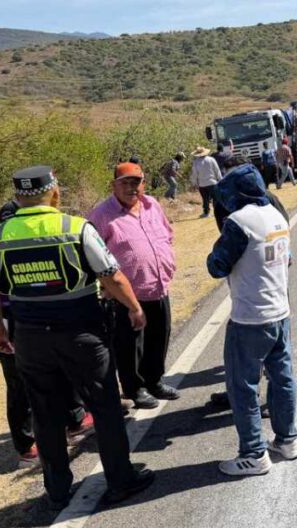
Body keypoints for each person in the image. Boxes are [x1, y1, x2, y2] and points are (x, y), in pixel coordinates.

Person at [0, 166, 154, 508]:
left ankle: (57, 491)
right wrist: (134, 307)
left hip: (29, 335)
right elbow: (111, 276)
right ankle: (120, 479)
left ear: (18, 196)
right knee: (104, 407)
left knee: (44, 414)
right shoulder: (74, 226)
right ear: (53, 190)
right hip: (81, 331)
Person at [0, 200, 94, 469]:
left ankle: (72, 421)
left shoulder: (13, 252)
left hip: (33, 331)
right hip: (10, 337)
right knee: (21, 389)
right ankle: (28, 444)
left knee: (55, 375)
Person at [207, 164, 297, 475]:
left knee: (242, 386)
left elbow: (216, 266)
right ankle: (287, 440)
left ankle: (253, 454)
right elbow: (287, 258)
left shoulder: (238, 222)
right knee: (282, 378)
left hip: (249, 318)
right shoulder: (276, 216)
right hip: (280, 312)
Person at [89, 163, 179, 410]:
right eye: (125, 183)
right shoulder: (102, 215)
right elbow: (91, 256)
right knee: (130, 344)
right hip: (125, 295)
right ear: (114, 185)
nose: (131, 188)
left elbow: (167, 235)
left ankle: (155, 381)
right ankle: (134, 388)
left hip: (158, 285)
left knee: (159, 336)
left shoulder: (152, 205)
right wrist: (104, 285)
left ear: (144, 183)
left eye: (136, 182)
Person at [190, 146, 222, 218]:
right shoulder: (211, 159)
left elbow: (194, 174)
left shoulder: (196, 162)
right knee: (215, 199)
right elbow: (217, 170)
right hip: (212, 182)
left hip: (202, 184)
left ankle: (206, 213)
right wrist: (220, 179)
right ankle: (217, 212)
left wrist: (194, 183)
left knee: (205, 199)